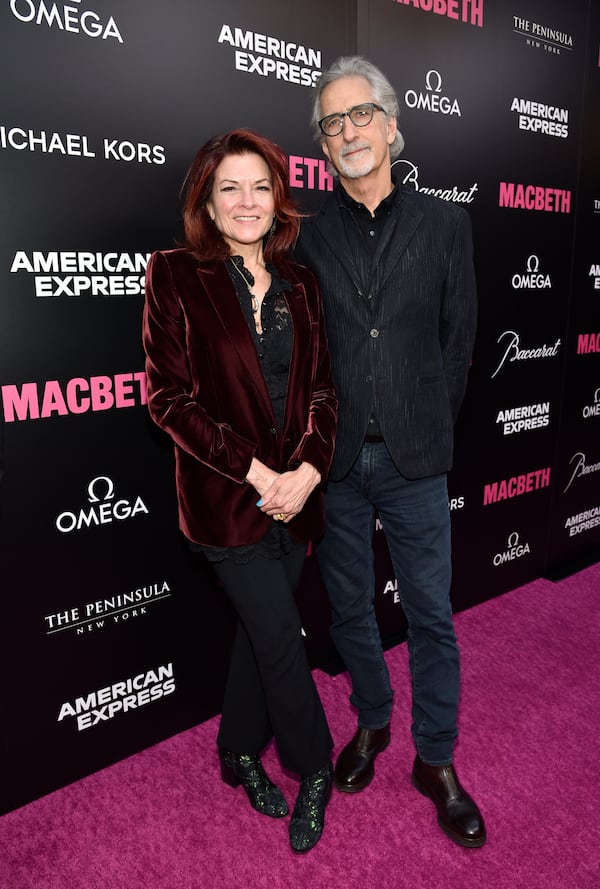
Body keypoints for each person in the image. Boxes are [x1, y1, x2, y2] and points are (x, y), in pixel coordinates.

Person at [294, 56, 485, 848]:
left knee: (431, 613)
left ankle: (435, 758)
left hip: (415, 458)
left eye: (361, 114)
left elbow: (459, 340)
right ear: (323, 145)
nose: (349, 131)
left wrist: (426, 425)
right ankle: (372, 720)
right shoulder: (307, 236)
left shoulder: (445, 224)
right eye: (333, 122)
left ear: (392, 123)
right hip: (336, 463)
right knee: (349, 608)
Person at [143, 129, 338, 853]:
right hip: (229, 501)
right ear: (208, 201)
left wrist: (308, 472)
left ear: (279, 198)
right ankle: (314, 765)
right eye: (231, 188)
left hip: (297, 499)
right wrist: (261, 475)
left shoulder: (302, 283)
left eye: (261, 186)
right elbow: (168, 399)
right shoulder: (174, 274)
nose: (247, 201)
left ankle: (236, 750)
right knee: (281, 638)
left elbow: (324, 392)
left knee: (260, 636)